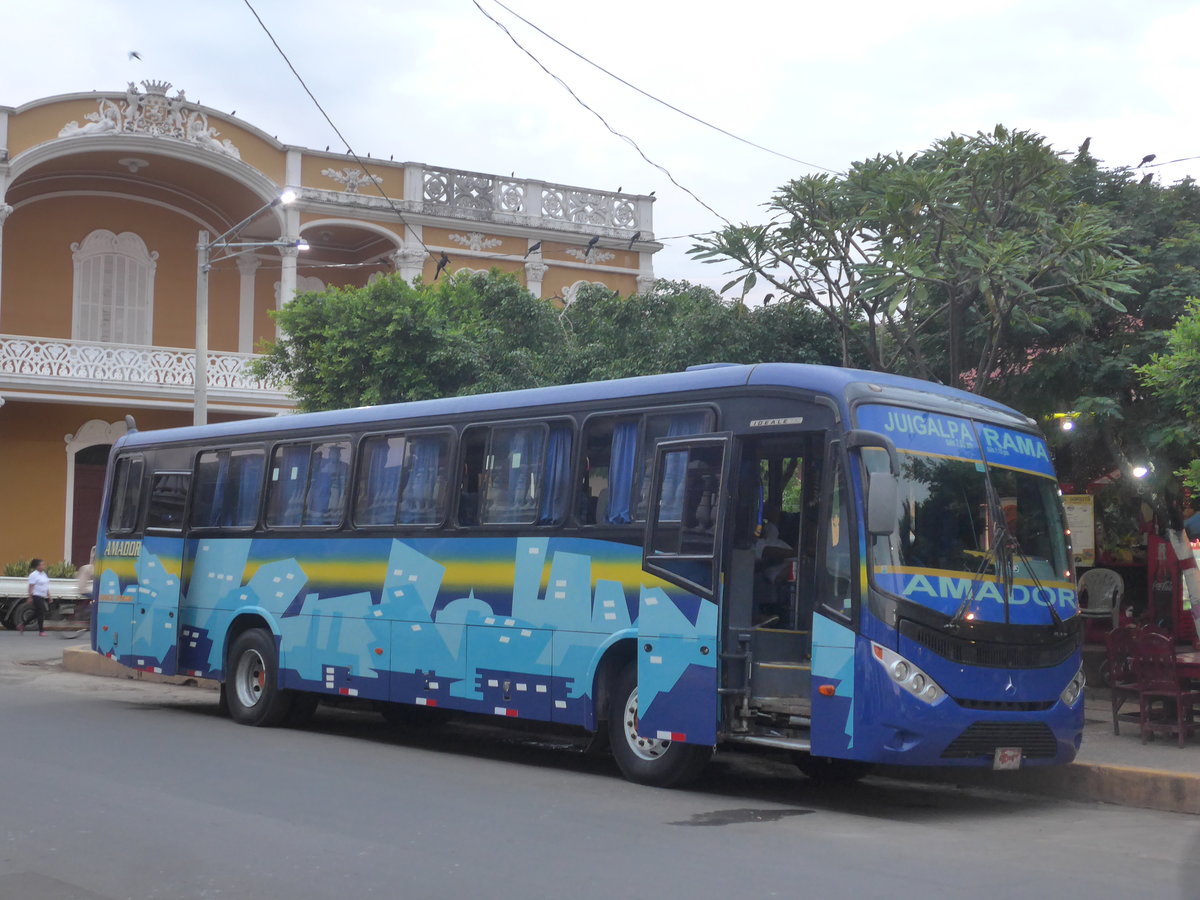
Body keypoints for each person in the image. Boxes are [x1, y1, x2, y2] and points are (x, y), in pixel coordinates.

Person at [24, 558, 51, 636]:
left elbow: (46, 586)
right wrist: (30, 597)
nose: (44, 566)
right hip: (36, 595)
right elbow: (30, 586)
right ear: (37, 566)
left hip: (42, 596)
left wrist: (49, 596)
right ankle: (41, 631)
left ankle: (23, 624)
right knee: (41, 613)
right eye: (42, 565)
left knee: (37, 613)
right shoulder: (33, 575)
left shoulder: (44, 574)